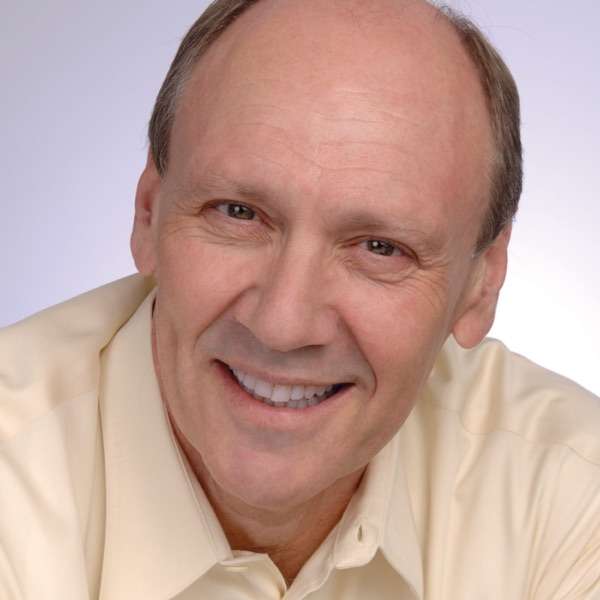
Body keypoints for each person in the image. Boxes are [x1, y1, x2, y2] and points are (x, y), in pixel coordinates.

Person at [1, 0, 599, 598]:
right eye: (238, 213)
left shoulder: (572, 496)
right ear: (148, 213)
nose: (282, 325)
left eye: (380, 248)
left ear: (481, 284)